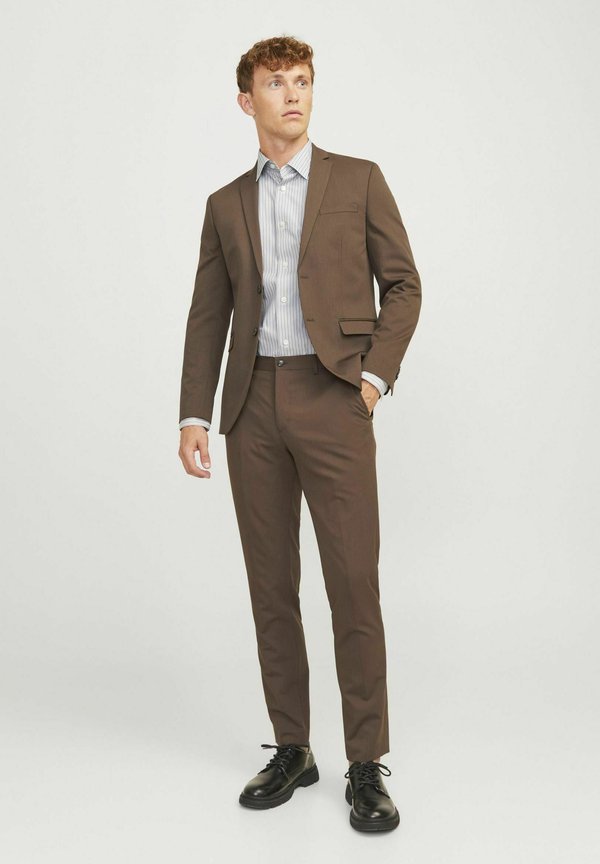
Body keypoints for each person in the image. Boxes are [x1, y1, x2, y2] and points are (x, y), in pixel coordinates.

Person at [178, 34, 421, 833]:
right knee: (271, 585)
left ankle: (365, 763)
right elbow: (208, 315)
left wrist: (372, 379)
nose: (292, 94)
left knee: (353, 583)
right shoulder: (225, 204)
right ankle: (293, 747)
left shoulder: (358, 180)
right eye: (276, 82)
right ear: (245, 100)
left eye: (303, 80)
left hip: (332, 396)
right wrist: (194, 414)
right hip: (252, 407)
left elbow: (404, 284)